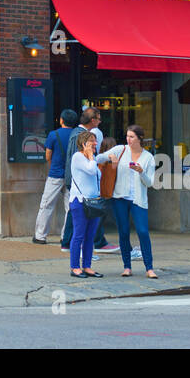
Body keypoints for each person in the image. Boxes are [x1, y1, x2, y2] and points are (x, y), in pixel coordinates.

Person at [97, 125, 158, 278]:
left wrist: (141, 172)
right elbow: (98, 158)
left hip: (138, 199)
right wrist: (110, 157)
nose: (128, 139)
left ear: (140, 138)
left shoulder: (148, 157)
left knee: (143, 232)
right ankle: (127, 267)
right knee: (123, 232)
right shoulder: (120, 149)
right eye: (127, 136)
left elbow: (150, 182)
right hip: (120, 198)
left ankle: (149, 268)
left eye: (132, 137)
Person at [60, 107, 115, 253]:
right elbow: (87, 165)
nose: (96, 144)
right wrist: (92, 157)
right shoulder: (80, 137)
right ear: (92, 120)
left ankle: (69, 242)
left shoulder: (77, 134)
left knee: (78, 214)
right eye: (98, 118)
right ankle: (95, 242)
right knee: (88, 213)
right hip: (80, 185)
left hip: (78, 184)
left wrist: (104, 157)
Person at [33, 110, 78, 244]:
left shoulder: (54, 134)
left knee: (46, 205)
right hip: (72, 176)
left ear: (61, 120)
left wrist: (53, 165)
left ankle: (40, 236)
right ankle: (66, 236)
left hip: (55, 174)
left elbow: (47, 155)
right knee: (69, 207)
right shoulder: (78, 135)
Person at [67, 130, 103, 278]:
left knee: (90, 235)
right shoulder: (77, 157)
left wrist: (92, 157)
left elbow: (96, 174)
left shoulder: (91, 157)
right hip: (79, 201)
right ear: (83, 144)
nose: (95, 144)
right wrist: (90, 156)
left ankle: (87, 266)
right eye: (92, 141)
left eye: (95, 141)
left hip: (93, 202)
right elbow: (91, 170)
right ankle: (75, 267)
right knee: (79, 235)